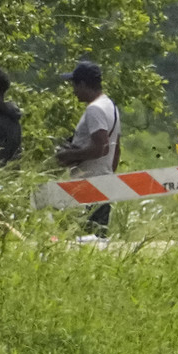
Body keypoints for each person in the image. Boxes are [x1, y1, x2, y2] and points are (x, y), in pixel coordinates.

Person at [55, 61, 121, 236]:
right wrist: (108, 175)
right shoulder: (110, 106)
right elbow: (116, 149)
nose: (74, 91)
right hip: (104, 182)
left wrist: (69, 155)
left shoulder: (94, 110)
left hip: (89, 186)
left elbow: (101, 147)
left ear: (83, 84)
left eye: (75, 85)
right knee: (98, 239)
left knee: (87, 239)